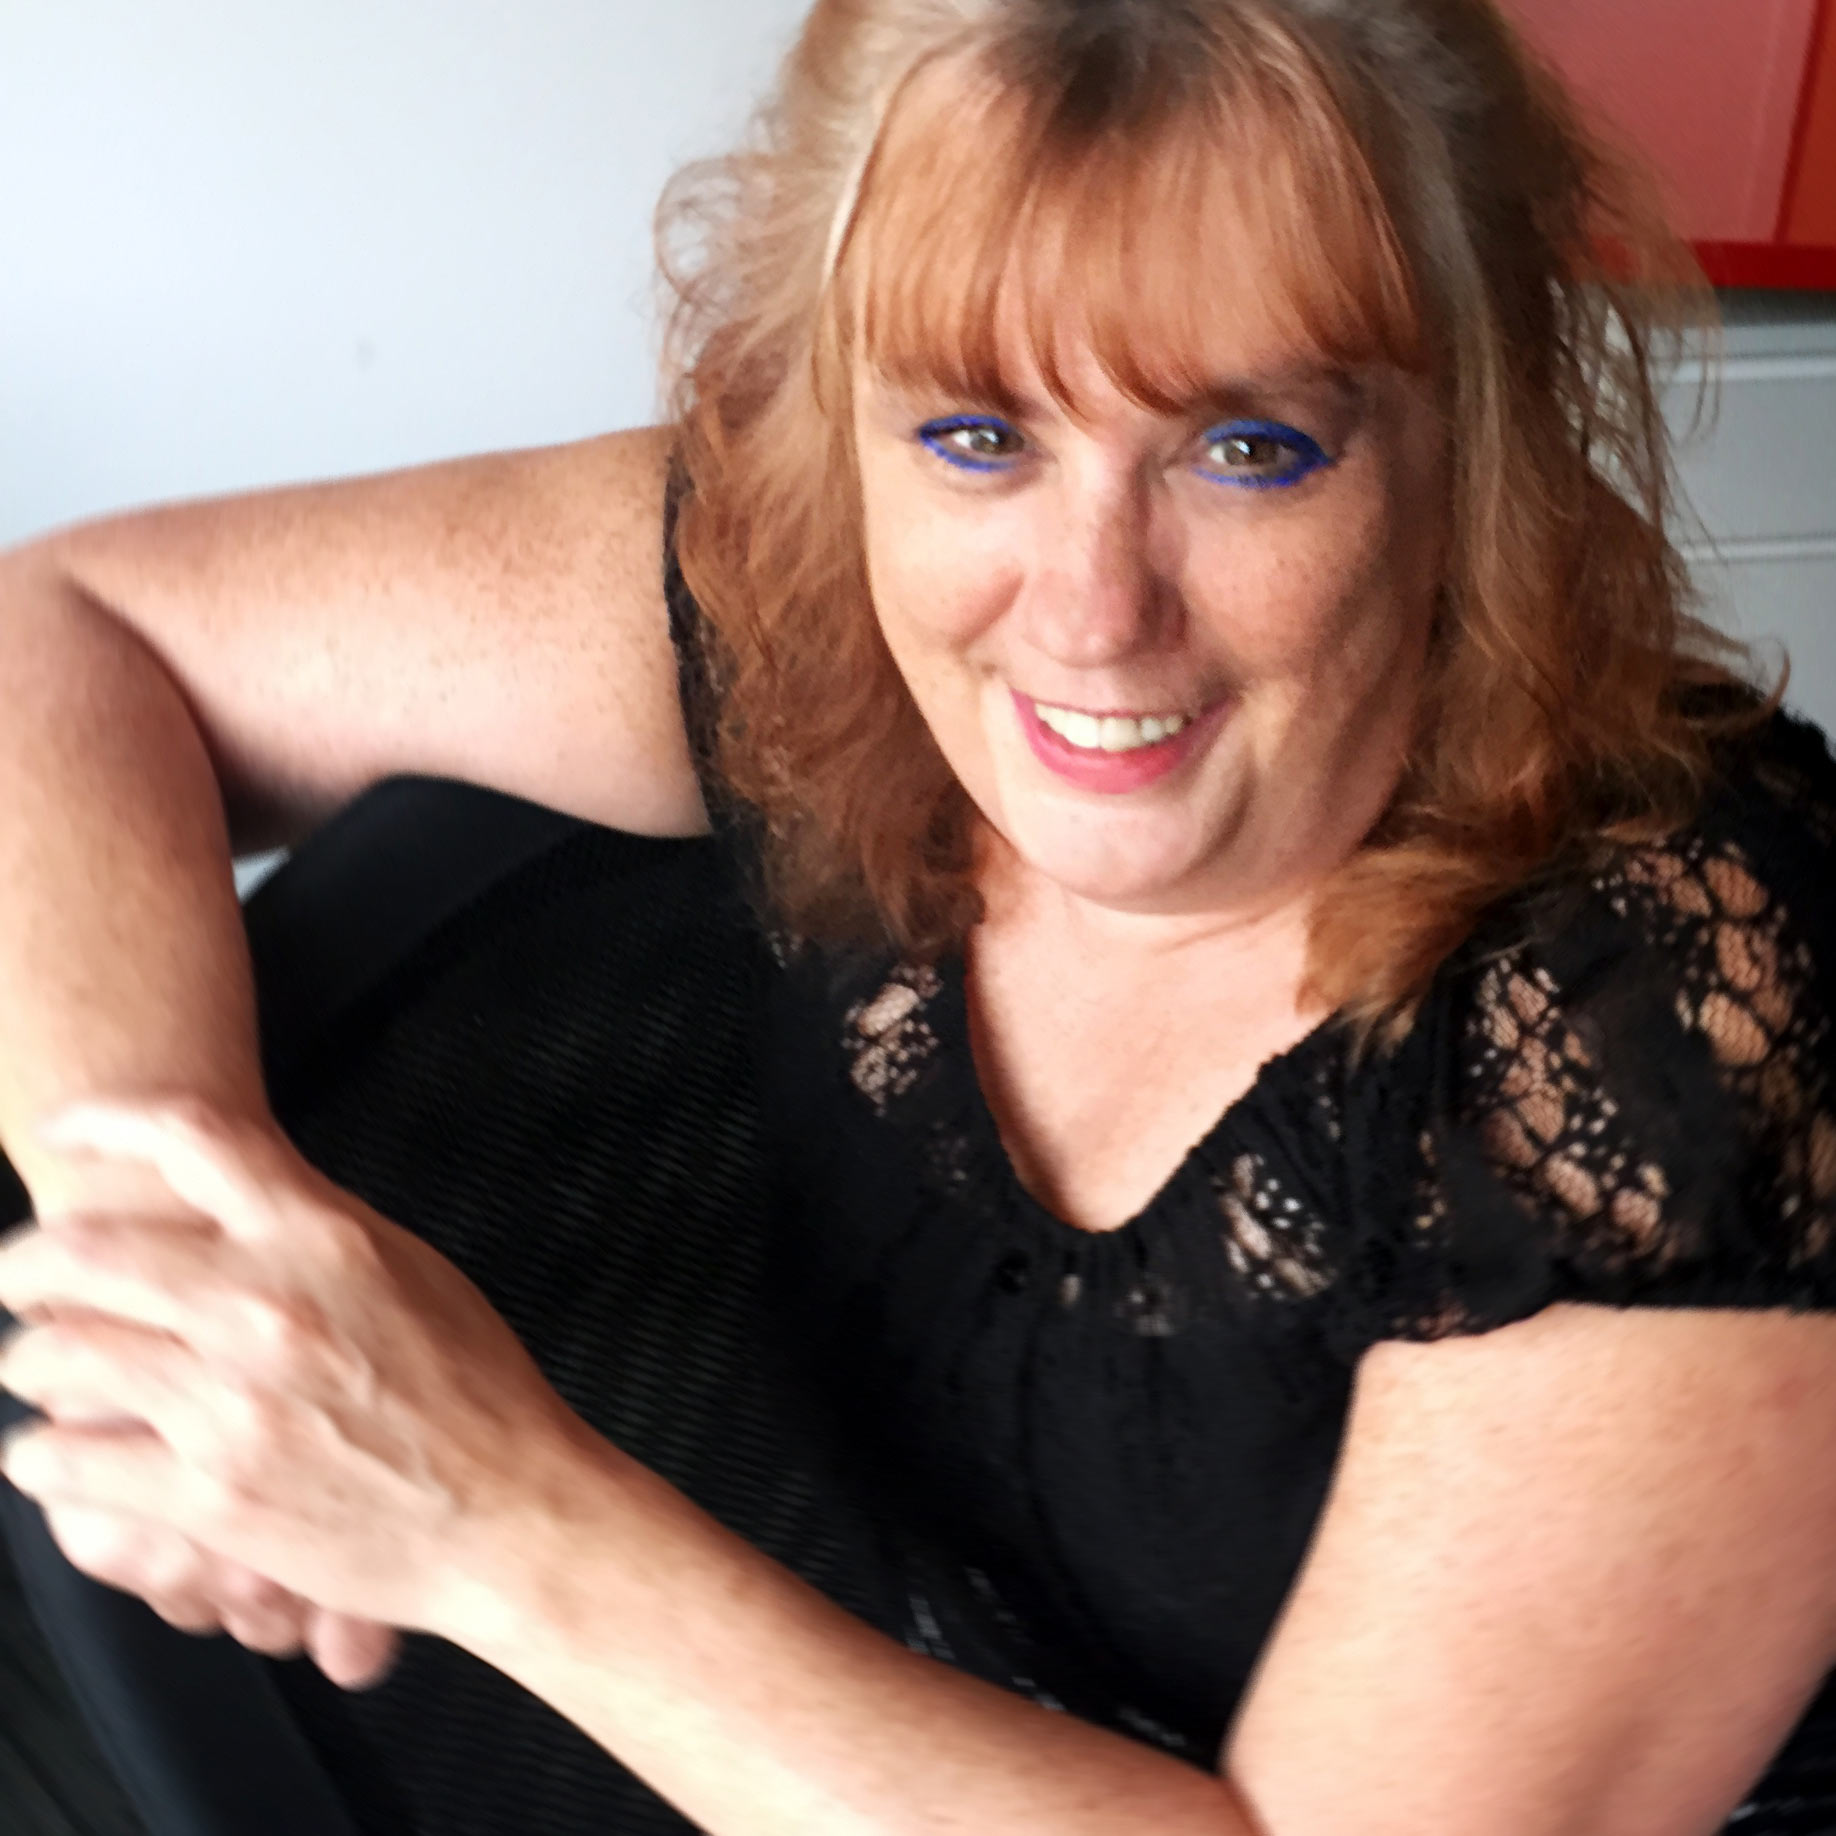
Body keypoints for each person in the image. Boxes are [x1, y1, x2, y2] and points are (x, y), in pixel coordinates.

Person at [3, 0, 1836, 1830]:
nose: (1092, 611)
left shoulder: (1675, 1014)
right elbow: (61, 633)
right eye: (976, 436)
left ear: (1477, 441)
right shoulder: (812, 594)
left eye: (1250, 448)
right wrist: (188, 1288)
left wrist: (495, 1520)